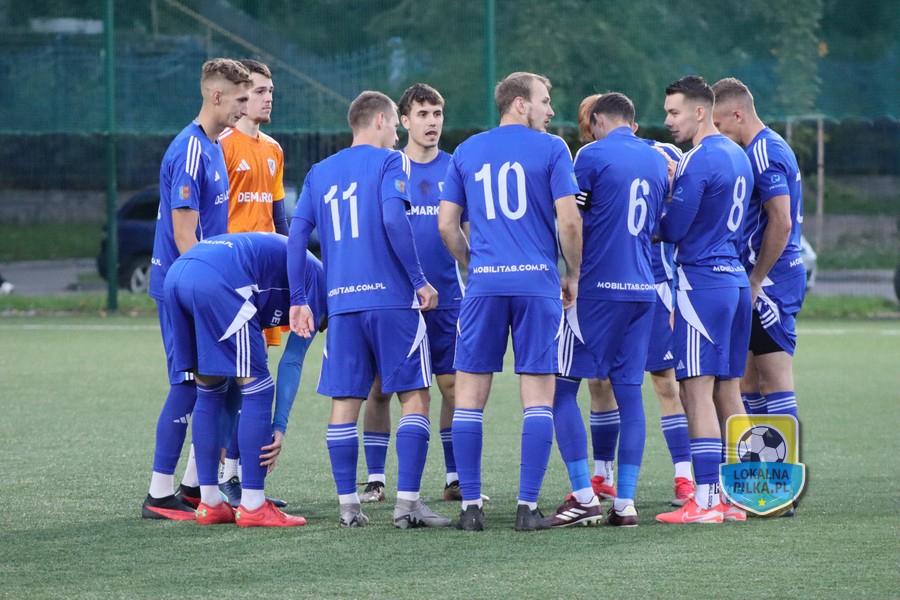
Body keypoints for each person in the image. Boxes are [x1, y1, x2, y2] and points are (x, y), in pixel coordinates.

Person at [288, 90, 450, 530]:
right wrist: (419, 280)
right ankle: (407, 505)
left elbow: (297, 237)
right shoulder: (390, 162)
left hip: (343, 305)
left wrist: (299, 298)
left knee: (345, 401)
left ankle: (348, 507)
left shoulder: (319, 171)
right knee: (415, 397)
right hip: (392, 301)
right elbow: (394, 220)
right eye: (395, 123)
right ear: (379, 120)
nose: (397, 133)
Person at [438, 72, 582, 531]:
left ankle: (470, 509)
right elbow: (570, 222)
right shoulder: (553, 148)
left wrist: (474, 262)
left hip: (484, 285)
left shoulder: (466, 150)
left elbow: (446, 225)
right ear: (520, 104)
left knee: (469, 398)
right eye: (545, 100)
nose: (551, 110)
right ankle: (526, 508)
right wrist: (572, 273)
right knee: (538, 397)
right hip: (537, 285)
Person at [561, 95, 695, 512]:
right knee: (612, 387)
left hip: (624, 287)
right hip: (639, 289)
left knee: (660, 383)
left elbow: (572, 219)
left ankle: (683, 477)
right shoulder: (652, 159)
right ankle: (613, 487)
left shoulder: (611, 156)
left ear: (600, 121)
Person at [141, 58, 251, 520]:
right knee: (188, 384)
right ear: (216, 95)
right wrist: (211, 290)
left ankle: (191, 487)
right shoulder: (189, 149)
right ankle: (158, 494)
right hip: (185, 286)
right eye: (240, 98)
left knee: (217, 384)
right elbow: (185, 236)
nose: (245, 107)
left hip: (202, 284)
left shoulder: (214, 145)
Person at [358, 83, 475, 504]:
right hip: (396, 299)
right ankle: (375, 479)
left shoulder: (456, 167)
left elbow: (468, 230)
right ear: (403, 120)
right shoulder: (389, 166)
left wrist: (475, 273)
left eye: (437, 113)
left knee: (452, 386)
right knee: (380, 387)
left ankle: (454, 477)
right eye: (422, 114)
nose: (432, 122)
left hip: (448, 297)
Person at [164, 232, 320, 527]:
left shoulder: (309, 269)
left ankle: (210, 503)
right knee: (259, 389)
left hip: (179, 273)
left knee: (210, 390)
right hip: (219, 279)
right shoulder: (323, 288)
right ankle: (253, 505)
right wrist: (279, 426)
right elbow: (292, 360)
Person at [655, 75, 753, 524]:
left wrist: (659, 199)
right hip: (735, 280)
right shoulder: (738, 154)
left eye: (674, 112)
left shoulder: (698, 158)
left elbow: (674, 228)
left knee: (696, 393)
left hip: (703, 283)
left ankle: (707, 499)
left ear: (700, 111)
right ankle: (741, 495)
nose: (668, 121)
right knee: (729, 392)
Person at [211, 58, 292, 508]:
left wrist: (291, 265)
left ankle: (233, 477)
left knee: (250, 378)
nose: (267, 98)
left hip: (263, 282)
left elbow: (278, 218)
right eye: (260, 91)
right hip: (229, 278)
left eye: (270, 91)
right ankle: (217, 478)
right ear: (240, 96)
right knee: (227, 382)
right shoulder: (222, 145)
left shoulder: (274, 149)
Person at [711, 77, 806, 425]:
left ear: (737, 115)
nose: (717, 132)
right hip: (758, 276)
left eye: (718, 124)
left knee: (774, 380)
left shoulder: (765, 152)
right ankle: (756, 460)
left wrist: (756, 279)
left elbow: (781, 222)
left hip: (772, 280)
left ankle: (783, 463)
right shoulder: (755, 150)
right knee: (748, 382)